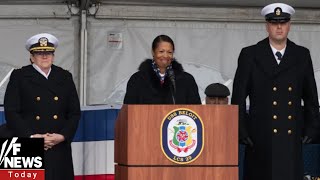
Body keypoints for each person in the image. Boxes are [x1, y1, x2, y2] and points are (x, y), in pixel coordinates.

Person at [231, 3, 320, 180]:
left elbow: (311, 97)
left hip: (290, 137)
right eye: (274, 22)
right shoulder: (250, 54)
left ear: (289, 25)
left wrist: (311, 130)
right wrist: (241, 132)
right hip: (260, 137)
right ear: (266, 26)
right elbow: (238, 97)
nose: (279, 27)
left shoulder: (301, 55)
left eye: (283, 22)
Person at [4, 33, 81, 180]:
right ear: (32, 57)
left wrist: (63, 136)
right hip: (28, 141)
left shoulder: (65, 76)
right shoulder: (19, 76)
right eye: (39, 53)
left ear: (53, 56)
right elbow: (11, 111)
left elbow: (74, 113)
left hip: (57, 142)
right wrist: (31, 137)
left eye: (48, 53)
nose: (44, 56)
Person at [124, 34, 201, 104]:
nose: (165, 55)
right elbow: (128, 111)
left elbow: (196, 111)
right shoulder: (137, 79)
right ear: (153, 52)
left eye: (169, 52)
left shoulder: (187, 80)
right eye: (161, 51)